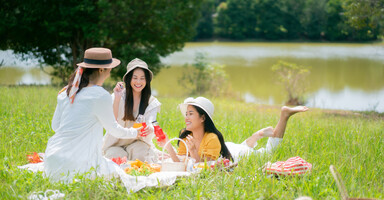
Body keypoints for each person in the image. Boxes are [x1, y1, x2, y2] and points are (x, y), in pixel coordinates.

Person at [44, 48, 145, 182]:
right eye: (109, 69)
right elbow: (113, 129)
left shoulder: (66, 92)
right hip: (78, 164)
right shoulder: (100, 95)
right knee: (121, 173)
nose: (110, 73)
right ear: (101, 70)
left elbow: (55, 126)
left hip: (52, 161)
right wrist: (135, 132)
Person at [159, 97, 308, 163]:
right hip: (226, 148)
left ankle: (284, 115)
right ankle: (257, 135)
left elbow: (202, 167)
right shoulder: (186, 137)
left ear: (203, 118)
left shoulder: (211, 138)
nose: (186, 118)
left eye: (191, 114)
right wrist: (167, 145)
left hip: (235, 154)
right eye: (186, 114)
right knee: (243, 146)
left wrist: (192, 152)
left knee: (269, 153)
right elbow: (179, 162)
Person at [102, 58, 161, 162]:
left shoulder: (151, 102)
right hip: (115, 143)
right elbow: (112, 121)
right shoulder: (118, 96)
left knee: (143, 155)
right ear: (129, 79)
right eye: (135, 78)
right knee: (117, 158)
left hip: (137, 142)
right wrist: (117, 98)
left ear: (147, 80)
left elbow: (152, 121)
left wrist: (150, 128)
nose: (138, 82)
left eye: (142, 78)